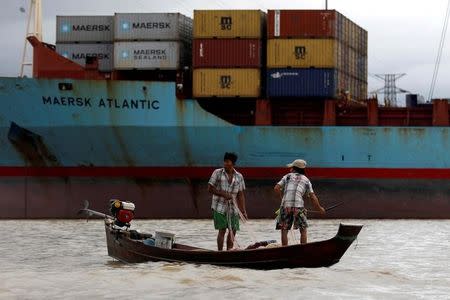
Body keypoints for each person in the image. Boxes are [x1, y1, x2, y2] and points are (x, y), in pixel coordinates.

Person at [274, 159, 325, 246]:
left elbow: (276, 188)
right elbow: (312, 197)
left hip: (285, 206)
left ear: (293, 168)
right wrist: (320, 209)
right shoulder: (306, 180)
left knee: (284, 230)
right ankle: (303, 250)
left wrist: (282, 199)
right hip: (299, 206)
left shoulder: (287, 176)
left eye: (291, 168)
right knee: (303, 229)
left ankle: (284, 249)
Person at [208, 152, 247, 251]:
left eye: (228, 162)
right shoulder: (217, 173)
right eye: (224, 161)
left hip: (234, 208)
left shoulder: (239, 176)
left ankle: (229, 251)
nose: (225, 163)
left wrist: (243, 211)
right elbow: (210, 188)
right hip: (219, 207)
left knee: (232, 231)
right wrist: (223, 194)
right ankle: (220, 252)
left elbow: (240, 195)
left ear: (233, 163)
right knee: (222, 230)